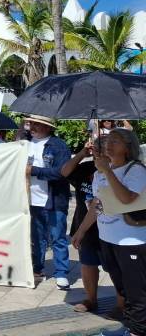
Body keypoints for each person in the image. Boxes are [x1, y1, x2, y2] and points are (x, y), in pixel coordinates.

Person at [73, 129, 146, 336]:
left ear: (128, 147)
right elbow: (97, 205)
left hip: (131, 240)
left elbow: (126, 199)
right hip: (108, 238)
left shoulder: (136, 170)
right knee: (122, 288)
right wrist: (81, 230)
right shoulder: (99, 172)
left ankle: (138, 331)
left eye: (116, 141)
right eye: (107, 140)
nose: (109, 144)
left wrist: (108, 171)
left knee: (137, 290)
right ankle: (130, 326)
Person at [63, 137, 124, 316]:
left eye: (104, 149)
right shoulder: (88, 169)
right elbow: (65, 172)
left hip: (112, 229)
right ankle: (91, 299)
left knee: (115, 267)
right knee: (87, 264)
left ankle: (122, 304)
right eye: (97, 150)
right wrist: (82, 153)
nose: (100, 153)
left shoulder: (121, 171)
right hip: (86, 226)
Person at [24, 114, 72, 290]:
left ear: (48, 127)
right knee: (36, 238)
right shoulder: (24, 143)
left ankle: (62, 273)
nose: (33, 127)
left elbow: (61, 172)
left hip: (54, 199)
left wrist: (33, 170)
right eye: (31, 124)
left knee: (58, 237)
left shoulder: (59, 146)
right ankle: (38, 269)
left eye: (38, 124)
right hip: (31, 198)